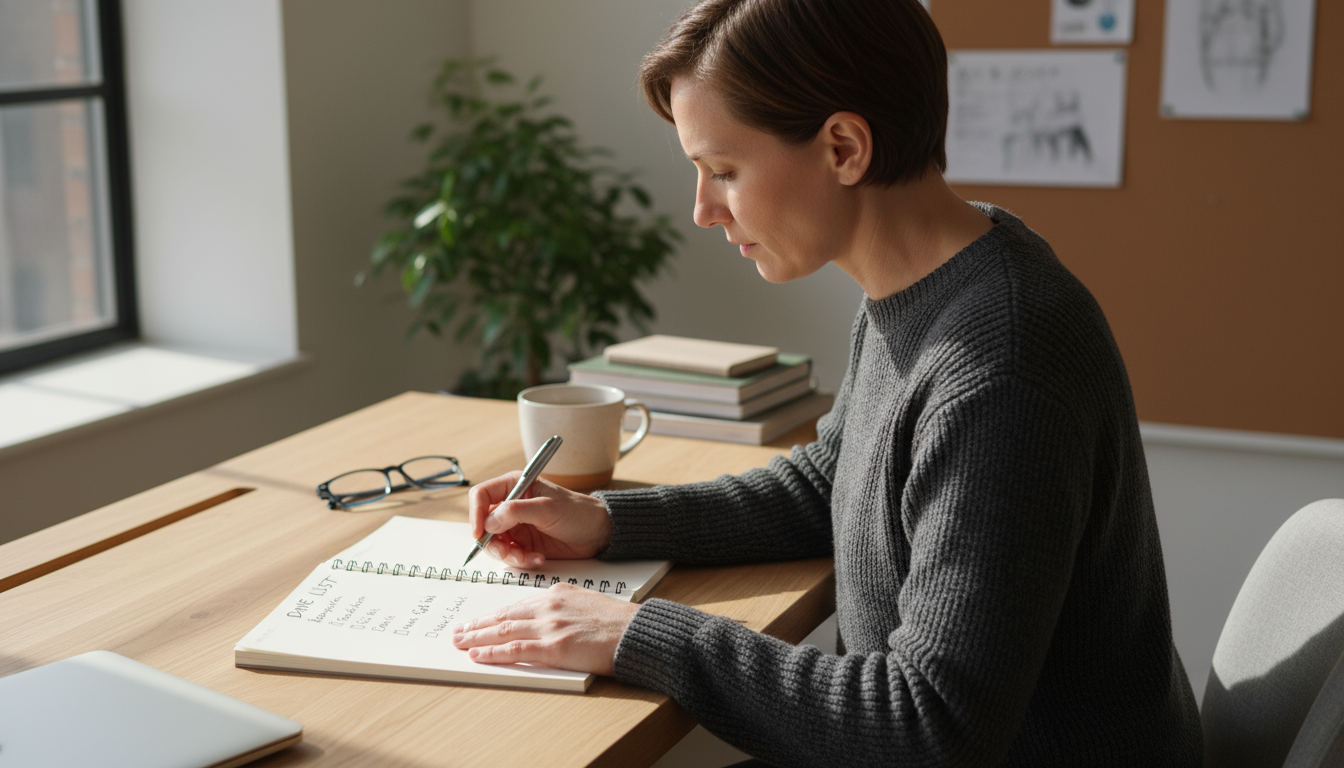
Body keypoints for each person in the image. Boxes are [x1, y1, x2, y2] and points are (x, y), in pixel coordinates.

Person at [451, 0, 1204, 764]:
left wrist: (641, 635)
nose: (703, 210)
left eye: (723, 171)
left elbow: (932, 726)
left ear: (843, 147)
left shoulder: (1000, 366)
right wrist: (608, 523)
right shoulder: (926, 284)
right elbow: (829, 481)